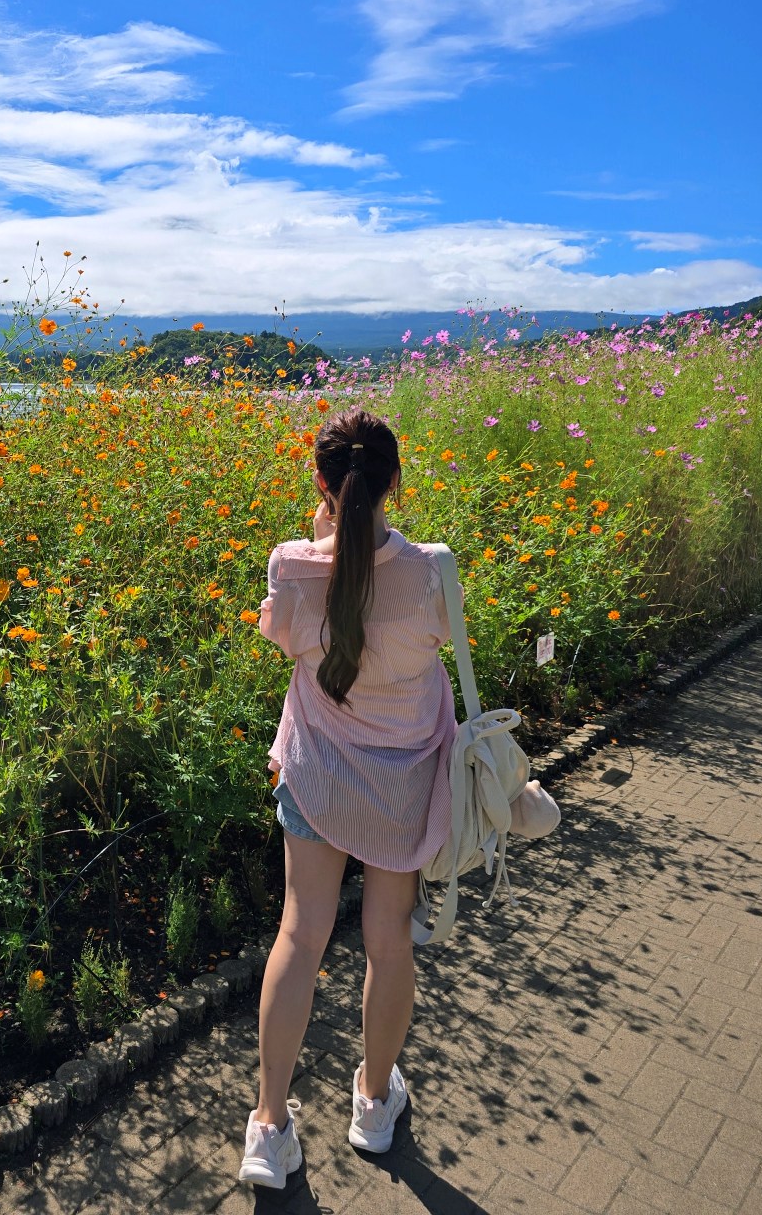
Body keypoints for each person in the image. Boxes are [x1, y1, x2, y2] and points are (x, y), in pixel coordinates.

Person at [238, 407, 458, 1190]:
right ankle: (372, 1104)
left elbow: (292, 639)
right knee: (388, 938)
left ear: (322, 485)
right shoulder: (433, 568)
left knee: (299, 935)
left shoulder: (289, 565)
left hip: (319, 775)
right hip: (403, 783)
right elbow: (430, 641)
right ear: (395, 481)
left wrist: (321, 529)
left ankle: (268, 1129)